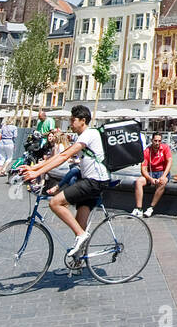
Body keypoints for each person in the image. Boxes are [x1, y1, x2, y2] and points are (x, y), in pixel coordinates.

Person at [18, 106, 109, 265]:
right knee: (80, 220)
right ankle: (79, 259)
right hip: (89, 180)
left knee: (55, 202)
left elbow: (65, 155)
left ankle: (82, 236)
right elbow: (61, 156)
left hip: (95, 181)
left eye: (73, 120)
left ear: (83, 121)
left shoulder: (90, 134)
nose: (70, 123)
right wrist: (34, 168)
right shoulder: (81, 136)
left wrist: (36, 173)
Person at [134, 131, 172, 218]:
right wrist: (150, 179)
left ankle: (151, 208)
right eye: (155, 141)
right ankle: (139, 209)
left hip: (162, 172)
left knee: (163, 182)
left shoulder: (165, 148)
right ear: (151, 140)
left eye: (159, 141)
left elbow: (169, 162)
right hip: (151, 173)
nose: (157, 143)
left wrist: (163, 176)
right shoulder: (147, 151)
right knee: (139, 181)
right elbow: (143, 169)